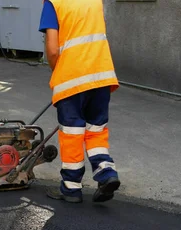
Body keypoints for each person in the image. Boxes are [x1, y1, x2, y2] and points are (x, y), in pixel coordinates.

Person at [38, 0, 121, 203]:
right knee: (96, 130)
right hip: (101, 76)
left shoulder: (53, 3)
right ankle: (106, 172)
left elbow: (52, 50)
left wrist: (58, 72)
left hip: (72, 79)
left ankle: (71, 188)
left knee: (72, 134)